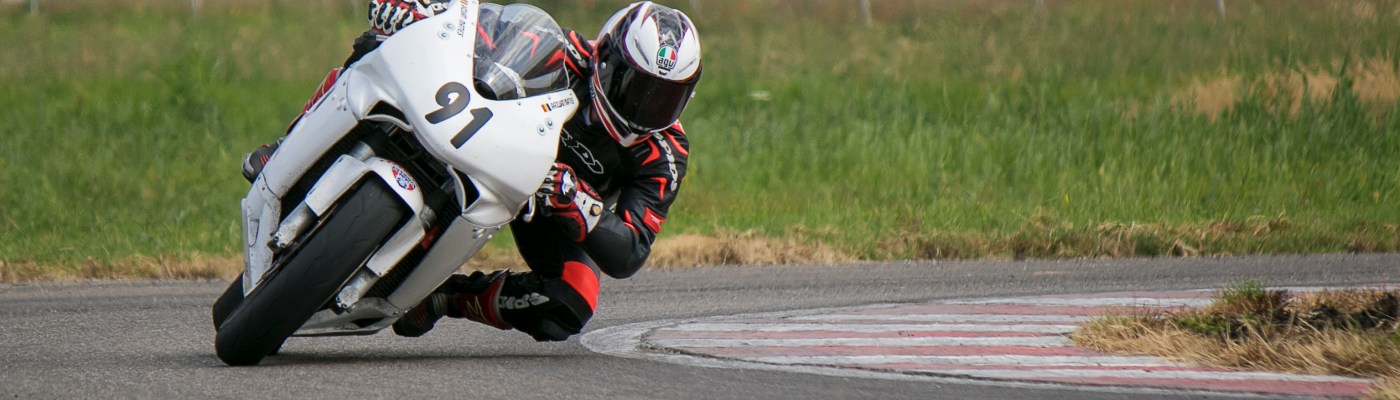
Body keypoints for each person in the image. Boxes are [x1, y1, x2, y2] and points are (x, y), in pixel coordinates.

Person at [240, 0, 702, 342]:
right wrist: (418, 14)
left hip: (544, 205)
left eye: (663, 97)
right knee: (379, 44)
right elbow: (470, 27)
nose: (642, 108)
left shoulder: (664, 153)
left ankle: (444, 296)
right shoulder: (563, 50)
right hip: (477, 136)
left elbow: (630, 251)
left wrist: (579, 203)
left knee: (574, 300)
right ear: (605, 56)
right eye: (632, 84)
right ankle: (288, 146)